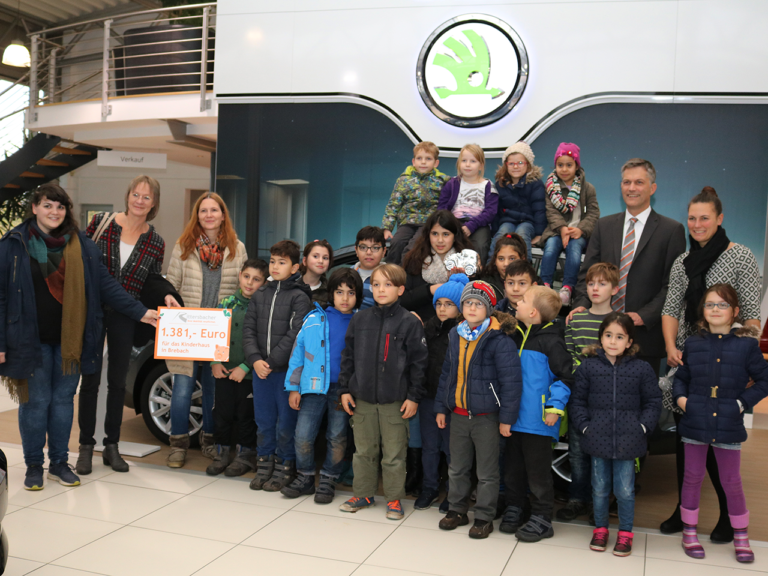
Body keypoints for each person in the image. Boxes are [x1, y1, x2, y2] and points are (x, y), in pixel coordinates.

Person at [0, 183, 157, 490]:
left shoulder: (81, 244)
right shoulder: (13, 244)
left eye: (60, 207)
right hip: (28, 340)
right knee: (35, 401)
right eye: (47, 206)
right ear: (34, 208)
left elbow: (106, 285)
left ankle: (59, 463)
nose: (54, 212)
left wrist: (141, 312)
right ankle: (34, 465)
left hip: (71, 342)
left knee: (61, 402)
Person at [660, 187, 763, 540]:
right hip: (691, 362)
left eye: (705, 218)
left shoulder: (742, 257)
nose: (697, 224)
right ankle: (682, 511)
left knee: (721, 447)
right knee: (686, 442)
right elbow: (671, 308)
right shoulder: (682, 262)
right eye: (692, 218)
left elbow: (750, 316)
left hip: (728, 363)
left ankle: (725, 515)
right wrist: (672, 347)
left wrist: (743, 359)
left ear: (719, 219)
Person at [673, 284, 768, 564]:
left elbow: (764, 380)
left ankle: (741, 537)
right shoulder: (693, 343)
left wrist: (740, 404)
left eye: (722, 304)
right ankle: (689, 532)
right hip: (695, 420)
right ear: (703, 311)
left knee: (731, 481)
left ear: (735, 311)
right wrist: (683, 401)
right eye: (710, 304)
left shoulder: (747, 346)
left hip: (728, 422)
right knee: (691, 478)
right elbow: (681, 378)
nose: (715, 309)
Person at [77, 175, 166, 475]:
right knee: (89, 380)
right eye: (135, 194)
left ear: (154, 203)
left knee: (117, 383)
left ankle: (111, 445)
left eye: (146, 197)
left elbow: (151, 283)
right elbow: (82, 264)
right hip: (91, 312)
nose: (139, 201)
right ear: (127, 195)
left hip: (126, 317)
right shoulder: (101, 223)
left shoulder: (155, 241)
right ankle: (85, 446)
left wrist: (166, 295)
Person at [571, 158, 686, 375]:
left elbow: (673, 285)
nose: (631, 188)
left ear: (652, 188)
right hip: (600, 334)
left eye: (639, 182)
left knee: (641, 405)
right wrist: (582, 304)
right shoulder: (604, 226)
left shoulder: (671, 231)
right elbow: (587, 273)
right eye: (626, 182)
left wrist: (645, 315)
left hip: (645, 338)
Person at [338, 264, 428, 521]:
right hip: (363, 400)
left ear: (400, 289)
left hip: (395, 402)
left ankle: (393, 499)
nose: (381, 289)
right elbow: (348, 357)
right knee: (364, 451)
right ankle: (364, 494)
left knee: (393, 455)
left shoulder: (410, 322)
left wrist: (413, 396)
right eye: (376, 284)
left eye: (387, 285)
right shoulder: (360, 319)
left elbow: (419, 364)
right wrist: (345, 389)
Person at [165, 192, 247, 468]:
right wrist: (169, 302)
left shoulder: (237, 248)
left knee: (214, 391)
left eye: (214, 210)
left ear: (223, 215)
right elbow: (172, 284)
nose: (209, 215)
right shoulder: (183, 246)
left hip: (218, 332)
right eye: (203, 211)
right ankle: (177, 445)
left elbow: (242, 289)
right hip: (187, 330)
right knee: (182, 390)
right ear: (197, 216)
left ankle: (210, 443)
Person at [435, 280, 522, 539]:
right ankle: (457, 510)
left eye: (478, 304)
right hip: (459, 415)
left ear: (489, 309)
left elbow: (511, 383)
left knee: (486, 472)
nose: (472, 308)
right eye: (468, 303)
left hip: (487, 417)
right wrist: (441, 406)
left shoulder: (499, 340)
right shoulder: (455, 334)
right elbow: (447, 374)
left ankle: (484, 516)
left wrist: (506, 419)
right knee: (457, 467)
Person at [570, 312, 661, 557]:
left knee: (624, 490)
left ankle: (626, 533)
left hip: (629, 441)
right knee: (599, 488)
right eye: (608, 335)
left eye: (619, 337)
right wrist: (586, 427)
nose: (613, 341)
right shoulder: (588, 367)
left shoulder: (641, 369)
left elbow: (653, 401)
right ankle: (600, 529)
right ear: (601, 338)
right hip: (597, 439)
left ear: (629, 341)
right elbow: (577, 401)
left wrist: (642, 428)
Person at [281, 268, 363, 504]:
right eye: (339, 292)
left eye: (350, 292)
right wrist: (294, 387)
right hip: (312, 388)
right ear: (331, 293)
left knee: (337, 436)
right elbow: (297, 355)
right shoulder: (313, 319)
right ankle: (305, 475)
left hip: (343, 390)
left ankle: (329, 477)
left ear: (358, 296)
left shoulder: (361, 322)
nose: (345, 298)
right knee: (303, 435)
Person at [501, 286, 572, 542]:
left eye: (522, 300)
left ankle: (542, 517)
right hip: (513, 419)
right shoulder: (514, 336)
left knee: (538, 473)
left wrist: (555, 408)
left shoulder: (552, 341)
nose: (516, 302)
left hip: (540, 422)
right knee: (512, 469)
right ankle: (515, 507)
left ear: (532, 312)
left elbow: (565, 377)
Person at [243, 240, 313, 492]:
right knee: (263, 421)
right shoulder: (260, 293)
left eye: (281, 262)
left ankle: (285, 465)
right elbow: (249, 330)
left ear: (295, 267)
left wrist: (271, 362)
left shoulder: (299, 297)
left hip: (285, 374)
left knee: (285, 423)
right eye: (272, 261)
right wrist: (255, 360)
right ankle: (264, 464)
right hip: (261, 372)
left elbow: (295, 335)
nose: (274, 266)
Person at [558, 262, 619, 522]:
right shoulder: (577, 318)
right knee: (577, 451)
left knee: (602, 452)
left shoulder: (618, 322)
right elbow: (570, 354)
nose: (595, 288)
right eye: (591, 283)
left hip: (607, 398)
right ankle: (576, 499)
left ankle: (599, 502)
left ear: (615, 288)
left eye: (602, 284)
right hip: (579, 395)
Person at [206, 258, 268, 477]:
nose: (250, 283)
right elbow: (212, 335)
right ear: (240, 275)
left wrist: (245, 367)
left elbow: (262, 343)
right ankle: (220, 452)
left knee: (245, 415)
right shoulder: (226, 303)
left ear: (264, 282)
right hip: (222, 371)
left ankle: (245, 456)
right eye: (247, 277)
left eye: (257, 279)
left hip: (248, 375)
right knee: (221, 413)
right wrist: (214, 362)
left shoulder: (263, 308)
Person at [413, 272, 468, 512]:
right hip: (427, 397)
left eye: (449, 305)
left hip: (452, 402)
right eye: (439, 304)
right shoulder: (428, 328)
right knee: (430, 446)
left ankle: (453, 493)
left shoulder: (463, 333)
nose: (442, 309)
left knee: (452, 450)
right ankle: (430, 487)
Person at [539, 143, 600, 306]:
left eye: (569, 165)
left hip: (578, 232)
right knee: (550, 248)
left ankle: (567, 288)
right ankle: (544, 285)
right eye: (560, 165)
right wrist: (562, 228)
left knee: (574, 251)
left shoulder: (587, 188)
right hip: (556, 231)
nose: (564, 169)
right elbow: (550, 211)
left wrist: (581, 229)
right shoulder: (551, 187)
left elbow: (593, 213)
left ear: (577, 166)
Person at [382, 141, 449, 265]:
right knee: (397, 243)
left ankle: (405, 278)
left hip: (427, 224)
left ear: (436, 163)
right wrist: (387, 228)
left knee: (413, 247)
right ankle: (390, 274)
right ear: (413, 161)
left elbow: (447, 204)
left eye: (428, 159)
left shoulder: (443, 181)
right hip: (407, 223)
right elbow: (393, 205)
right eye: (419, 158)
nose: (423, 162)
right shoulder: (404, 180)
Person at [401, 210, 473, 322]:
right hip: (421, 327)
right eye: (435, 234)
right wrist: (430, 289)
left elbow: (475, 303)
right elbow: (402, 300)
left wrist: (461, 283)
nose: (440, 240)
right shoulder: (413, 260)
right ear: (427, 235)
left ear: (455, 236)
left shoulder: (469, 261)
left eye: (445, 234)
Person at [437, 144, 498, 263]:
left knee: (480, 245)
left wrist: (471, 225)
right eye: (464, 160)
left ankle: (477, 276)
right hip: (454, 222)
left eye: (473, 161)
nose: (468, 164)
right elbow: (442, 206)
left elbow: (491, 212)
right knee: (448, 244)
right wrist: (448, 223)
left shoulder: (488, 185)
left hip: (479, 224)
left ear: (481, 165)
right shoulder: (452, 183)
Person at [490, 141, 546, 262]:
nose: (516, 166)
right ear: (506, 165)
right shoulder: (501, 185)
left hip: (527, 222)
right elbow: (496, 211)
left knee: (522, 234)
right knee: (501, 235)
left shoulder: (535, 184)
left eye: (520, 163)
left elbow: (539, 210)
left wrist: (539, 234)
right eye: (511, 163)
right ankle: (491, 269)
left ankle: (525, 270)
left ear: (528, 164)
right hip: (508, 221)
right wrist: (494, 232)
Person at [480, 233, 527, 302]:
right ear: (495, 260)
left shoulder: (533, 283)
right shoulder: (485, 284)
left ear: (522, 259)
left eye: (512, 258)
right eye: (501, 259)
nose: (506, 264)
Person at [352, 226, 387, 310]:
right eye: (363, 247)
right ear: (356, 250)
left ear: (384, 251)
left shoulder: (389, 277)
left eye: (375, 248)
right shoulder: (347, 274)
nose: (368, 252)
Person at [300, 239, 333, 308]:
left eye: (325, 258)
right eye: (315, 256)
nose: (321, 261)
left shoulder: (330, 291)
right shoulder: (291, 284)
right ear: (304, 261)